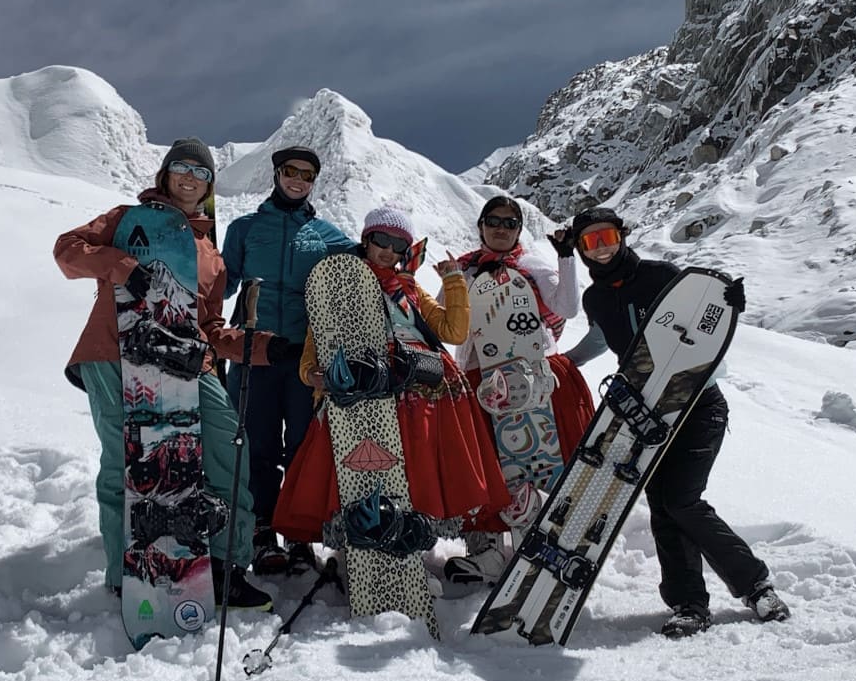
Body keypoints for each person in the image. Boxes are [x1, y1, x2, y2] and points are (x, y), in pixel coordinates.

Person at [54, 137, 279, 611]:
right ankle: (126, 571)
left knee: (227, 450)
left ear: (211, 186)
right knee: (124, 459)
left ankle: (225, 565)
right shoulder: (124, 220)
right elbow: (68, 251)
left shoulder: (211, 257)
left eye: (201, 172)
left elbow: (211, 329)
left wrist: (267, 349)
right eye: (181, 167)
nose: (190, 177)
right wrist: (122, 267)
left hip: (185, 362)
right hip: (114, 353)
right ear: (165, 173)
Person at [564, 206, 791, 638]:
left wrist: (727, 304)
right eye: (590, 242)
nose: (602, 248)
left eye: (608, 236)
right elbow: (600, 337)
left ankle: (756, 586)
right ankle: (689, 603)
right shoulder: (594, 298)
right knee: (664, 507)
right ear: (580, 250)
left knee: (682, 500)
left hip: (699, 404)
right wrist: (566, 363)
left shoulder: (662, 275)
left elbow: (706, 320)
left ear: (623, 235)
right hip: (647, 414)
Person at [271, 206, 511, 551]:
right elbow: (316, 344)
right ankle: (360, 547)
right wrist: (313, 376)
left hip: (424, 388)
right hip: (366, 384)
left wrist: (454, 281)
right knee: (366, 468)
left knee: (418, 468)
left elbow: (454, 331)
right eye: (382, 239)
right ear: (366, 239)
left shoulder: (410, 289)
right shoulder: (340, 284)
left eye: (399, 245)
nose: (388, 250)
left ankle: (409, 543)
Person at [442, 195, 597, 587]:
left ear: (518, 230)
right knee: (491, 466)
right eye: (492, 221)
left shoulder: (532, 266)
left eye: (509, 223)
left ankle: (547, 540)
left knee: (540, 456)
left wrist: (565, 258)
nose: (500, 228)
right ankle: (489, 551)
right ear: (480, 226)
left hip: (534, 373)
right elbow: (448, 322)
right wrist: (451, 283)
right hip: (481, 376)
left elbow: (567, 307)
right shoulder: (464, 268)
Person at [221, 145, 357, 575]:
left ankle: (298, 532)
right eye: (291, 172)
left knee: (301, 444)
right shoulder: (245, 229)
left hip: (305, 358)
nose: (298, 180)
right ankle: (262, 530)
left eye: (307, 175)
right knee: (256, 443)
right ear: (277, 174)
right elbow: (221, 285)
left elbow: (367, 262)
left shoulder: (326, 234)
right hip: (254, 352)